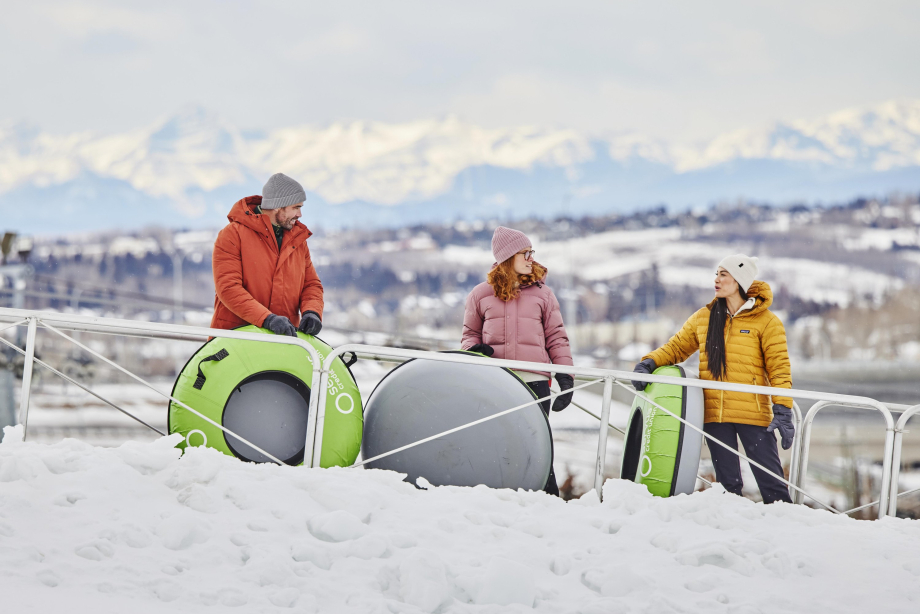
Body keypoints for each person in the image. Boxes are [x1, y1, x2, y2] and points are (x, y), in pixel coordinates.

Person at [632, 255, 794, 503]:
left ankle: (787, 530)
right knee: (729, 488)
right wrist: (649, 362)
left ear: (738, 281)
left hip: (753, 414)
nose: (716, 280)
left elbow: (779, 369)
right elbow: (675, 348)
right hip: (715, 415)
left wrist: (783, 409)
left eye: (723, 274)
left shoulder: (767, 322)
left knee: (773, 486)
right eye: (716, 274)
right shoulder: (704, 317)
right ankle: (733, 534)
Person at [461, 226, 575, 496]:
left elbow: (557, 338)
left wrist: (566, 377)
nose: (531, 258)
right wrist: (474, 350)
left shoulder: (543, 294)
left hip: (536, 383)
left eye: (531, 252)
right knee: (496, 442)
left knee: (536, 445)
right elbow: (468, 336)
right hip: (495, 382)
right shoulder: (480, 294)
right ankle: (497, 498)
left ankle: (549, 500)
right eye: (525, 253)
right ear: (508, 256)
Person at [211, 173, 324, 337]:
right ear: (279, 206)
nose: (300, 215)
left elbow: (311, 284)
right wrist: (267, 319)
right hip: (236, 341)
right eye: (296, 208)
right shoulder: (232, 235)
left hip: (283, 341)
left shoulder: (297, 239)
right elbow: (229, 289)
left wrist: (312, 312)